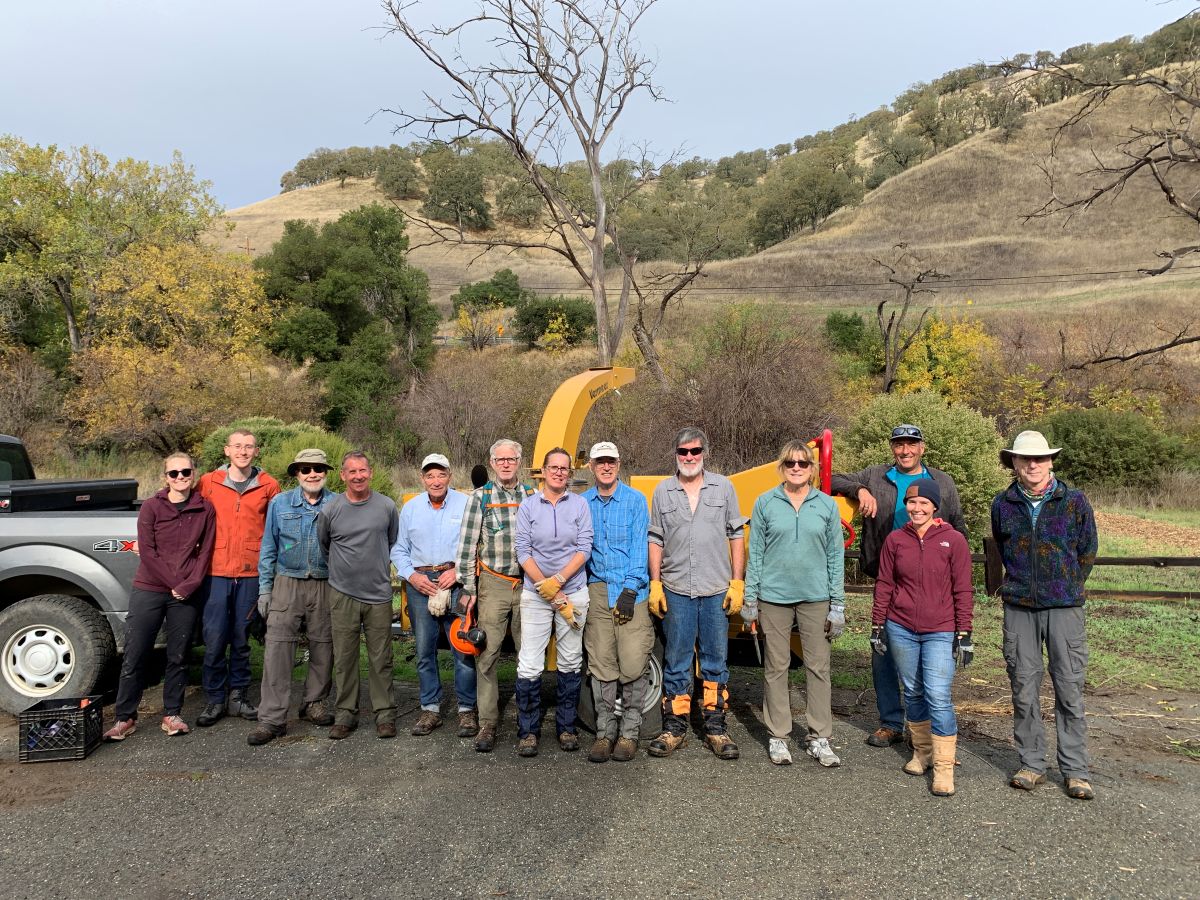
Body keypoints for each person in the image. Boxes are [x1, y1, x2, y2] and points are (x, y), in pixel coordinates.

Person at [830, 423, 967, 748]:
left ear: (922, 447)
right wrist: (859, 490)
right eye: (899, 445)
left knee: (932, 657)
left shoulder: (941, 482)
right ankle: (891, 722)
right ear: (892, 448)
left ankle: (932, 730)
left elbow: (958, 527)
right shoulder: (877, 476)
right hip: (888, 578)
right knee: (884, 652)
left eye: (911, 444)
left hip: (934, 586)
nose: (905, 450)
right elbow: (834, 478)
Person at [992, 430, 1098, 801]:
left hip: (1064, 607)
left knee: (1069, 687)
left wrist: (1064, 585)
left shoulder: (1074, 502)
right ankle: (1031, 763)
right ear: (1015, 464)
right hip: (1020, 606)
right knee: (1023, 687)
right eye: (1025, 459)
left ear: (1051, 461)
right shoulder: (1003, 504)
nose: (1033, 465)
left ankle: (1075, 769)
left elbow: (1087, 551)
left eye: (1039, 458)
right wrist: (1024, 584)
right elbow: (1004, 551)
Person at [647, 427, 748, 760]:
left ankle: (715, 728)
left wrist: (737, 582)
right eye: (683, 452)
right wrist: (656, 582)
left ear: (705, 452)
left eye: (695, 451)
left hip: (716, 589)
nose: (689, 457)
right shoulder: (663, 491)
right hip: (676, 590)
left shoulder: (724, 487)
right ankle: (674, 727)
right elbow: (656, 539)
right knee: (676, 661)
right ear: (675, 454)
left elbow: (735, 534)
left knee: (715, 662)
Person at [743, 440, 845, 768]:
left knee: (819, 667)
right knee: (776, 667)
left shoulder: (826, 505)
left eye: (803, 463)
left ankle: (819, 737)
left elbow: (835, 555)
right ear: (782, 467)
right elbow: (755, 552)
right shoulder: (765, 503)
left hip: (816, 596)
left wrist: (838, 604)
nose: (797, 468)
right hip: (774, 597)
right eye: (791, 463)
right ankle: (778, 736)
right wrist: (749, 597)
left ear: (812, 468)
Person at [871, 481, 974, 796]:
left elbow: (963, 589)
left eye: (923, 504)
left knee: (938, 696)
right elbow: (885, 584)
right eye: (911, 503)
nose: (916, 509)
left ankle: (944, 768)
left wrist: (964, 632)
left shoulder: (953, 541)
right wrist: (877, 626)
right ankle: (923, 752)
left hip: (940, 629)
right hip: (901, 626)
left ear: (934, 506)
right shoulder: (895, 540)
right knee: (913, 692)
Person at [103, 453, 215, 741]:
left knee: (178, 655)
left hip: (186, 592)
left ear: (194, 473)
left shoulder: (205, 508)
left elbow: (205, 553)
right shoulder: (152, 507)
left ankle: (172, 714)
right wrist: (175, 583)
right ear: (165, 477)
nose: (180, 477)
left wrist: (190, 585)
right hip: (150, 588)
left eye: (185, 472)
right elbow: (148, 552)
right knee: (135, 652)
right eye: (174, 473)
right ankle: (125, 717)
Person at [246, 449, 338, 746]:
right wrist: (265, 589)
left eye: (318, 469)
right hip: (287, 582)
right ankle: (271, 718)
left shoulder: (338, 504)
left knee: (323, 646)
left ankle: (315, 702)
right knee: (277, 650)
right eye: (306, 469)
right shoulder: (280, 503)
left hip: (325, 584)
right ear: (296, 474)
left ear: (326, 472)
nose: (313, 474)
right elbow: (268, 548)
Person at [455, 439, 536, 753]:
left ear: (519, 461)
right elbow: (466, 548)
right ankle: (488, 722)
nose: (505, 464)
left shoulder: (532, 495)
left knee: (527, 653)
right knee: (487, 654)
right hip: (494, 583)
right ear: (492, 463)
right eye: (500, 459)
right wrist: (469, 591)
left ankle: (524, 718)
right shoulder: (479, 498)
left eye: (511, 459)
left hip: (528, 583)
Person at [196, 429, 280, 727]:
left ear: (256, 451)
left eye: (249, 447)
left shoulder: (268, 485)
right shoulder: (209, 482)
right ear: (226, 450)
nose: (243, 451)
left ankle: (239, 696)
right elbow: (185, 508)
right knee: (215, 638)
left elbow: (276, 528)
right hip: (215, 571)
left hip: (251, 572)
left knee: (242, 637)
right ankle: (215, 699)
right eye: (238, 446)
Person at [512, 447, 593, 757]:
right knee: (530, 661)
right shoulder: (529, 506)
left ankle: (567, 727)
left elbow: (584, 548)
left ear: (569, 474)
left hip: (572, 591)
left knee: (571, 660)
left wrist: (558, 583)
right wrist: (544, 585)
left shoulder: (580, 505)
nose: (559, 472)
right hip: (535, 594)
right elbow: (523, 551)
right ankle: (529, 731)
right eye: (554, 467)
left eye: (564, 468)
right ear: (543, 472)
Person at [390, 453, 477, 738]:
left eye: (441, 474)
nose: (436, 480)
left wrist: (461, 572)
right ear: (422, 478)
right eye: (430, 475)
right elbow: (399, 549)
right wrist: (412, 576)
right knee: (425, 650)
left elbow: (478, 544)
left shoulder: (466, 504)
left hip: (456, 580)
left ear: (450, 476)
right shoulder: (411, 508)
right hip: (421, 583)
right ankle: (431, 708)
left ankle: (467, 709)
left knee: (461, 649)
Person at [318, 451, 400, 740]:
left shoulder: (386, 506)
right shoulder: (331, 509)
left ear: (371, 472)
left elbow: (392, 540)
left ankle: (385, 715)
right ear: (342, 475)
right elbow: (324, 545)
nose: (358, 476)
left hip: (378, 594)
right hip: (342, 594)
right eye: (351, 471)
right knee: (345, 657)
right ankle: (345, 715)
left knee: (381, 658)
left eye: (362, 470)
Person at [581, 441, 652, 763]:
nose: (606, 467)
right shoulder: (582, 504)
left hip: (630, 591)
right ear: (592, 467)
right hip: (597, 589)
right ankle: (604, 733)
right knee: (601, 663)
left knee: (634, 661)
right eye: (600, 462)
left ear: (619, 464)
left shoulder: (636, 501)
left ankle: (629, 734)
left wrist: (630, 589)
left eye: (611, 461)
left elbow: (641, 546)